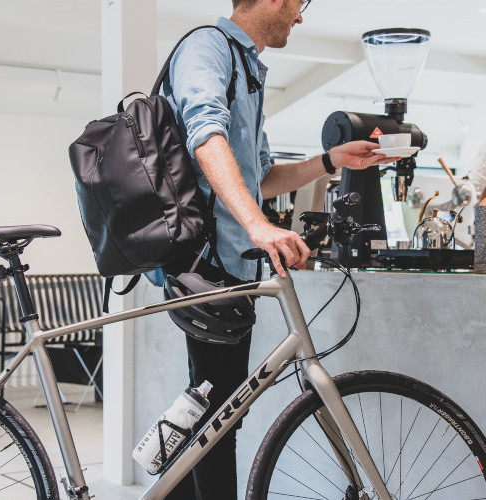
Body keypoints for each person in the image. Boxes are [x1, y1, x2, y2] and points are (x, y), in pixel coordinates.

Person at [161, 0, 400, 498]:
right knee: (218, 425)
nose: (301, 15)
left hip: (233, 270)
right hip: (206, 268)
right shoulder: (208, 46)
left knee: (218, 416)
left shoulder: (246, 68)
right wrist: (257, 226)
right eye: (298, 2)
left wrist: (330, 160)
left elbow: (260, 179)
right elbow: (205, 135)